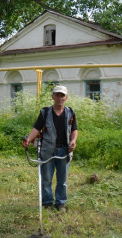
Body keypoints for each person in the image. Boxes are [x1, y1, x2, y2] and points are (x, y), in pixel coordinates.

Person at [22, 85, 78, 213]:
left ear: (66, 98)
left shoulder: (70, 112)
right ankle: (47, 203)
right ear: (52, 96)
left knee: (62, 180)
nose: (59, 98)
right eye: (57, 95)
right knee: (46, 179)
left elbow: (74, 130)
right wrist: (29, 139)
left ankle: (60, 203)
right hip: (47, 150)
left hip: (64, 151)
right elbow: (36, 129)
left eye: (62, 95)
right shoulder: (45, 112)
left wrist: (73, 141)